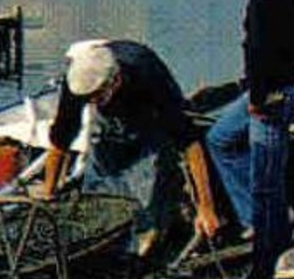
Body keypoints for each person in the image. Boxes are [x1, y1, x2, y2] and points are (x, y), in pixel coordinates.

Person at [40, 38, 221, 257]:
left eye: (98, 96)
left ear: (115, 81)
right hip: (109, 131)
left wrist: (206, 208)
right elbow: (60, 141)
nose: (93, 103)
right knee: (98, 199)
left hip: (148, 122)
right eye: (89, 100)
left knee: (145, 209)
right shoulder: (77, 84)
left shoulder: (149, 76)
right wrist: (47, 195)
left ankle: (143, 246)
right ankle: (103, 249)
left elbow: (189, 143)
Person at [206, 0, 294, 279]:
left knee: (267, 185)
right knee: (219, 137)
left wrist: (258, 97)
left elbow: (262, 51)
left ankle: (264, 271)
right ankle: (255, 217)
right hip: (283, 88)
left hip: (272, 96)